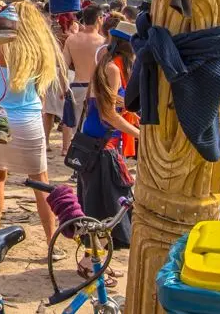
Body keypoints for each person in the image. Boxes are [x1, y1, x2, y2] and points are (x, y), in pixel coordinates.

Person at [0, 2, 66, 261]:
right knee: (41, 183)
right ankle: (50, 242)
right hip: (29, 118)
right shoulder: (38, 48)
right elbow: (41, 91)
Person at [76, 22, 139, 283]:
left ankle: (94, 258)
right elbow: (108, 114)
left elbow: (108, 102)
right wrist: (139, 133)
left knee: (100, 205)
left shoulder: (105, 64)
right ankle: (90, 261)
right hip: (103, 148)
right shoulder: (113, 69)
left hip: (97, 145)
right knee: (109, 207)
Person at [62, 5, 104, 156]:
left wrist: (63, 87)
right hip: (96, 90)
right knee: (93, 128)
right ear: (99, 19)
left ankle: (73, 153)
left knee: (76, 127)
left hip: (77, 86)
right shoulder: (103, 42)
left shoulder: (72, 40)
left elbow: (63, 66)